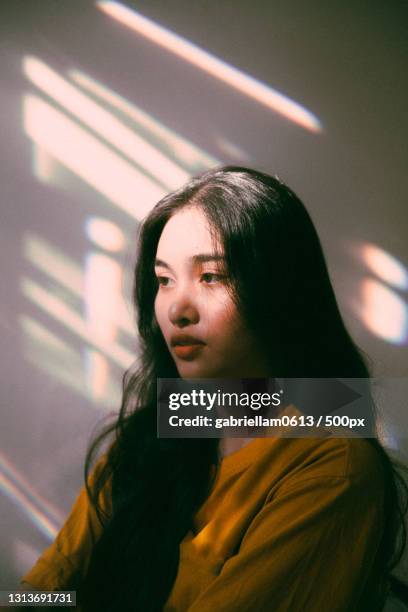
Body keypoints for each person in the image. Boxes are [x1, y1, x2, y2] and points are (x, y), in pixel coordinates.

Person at [18, 167, 408, 611]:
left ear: (279, 290)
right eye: (164, 280)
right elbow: (46, 585)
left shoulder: (334, 464)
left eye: (212, 277)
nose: (177, 309)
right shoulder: (162, 427)